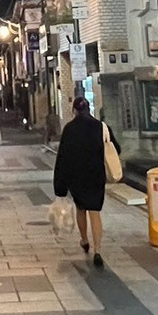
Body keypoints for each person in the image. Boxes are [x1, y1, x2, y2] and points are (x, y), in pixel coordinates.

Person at [52, 96, 118, 269]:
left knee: (81, 209)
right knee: (95, 212)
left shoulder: (69, 129)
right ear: (89, 109)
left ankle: (84, 240)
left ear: (74, 110)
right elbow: (115, 148)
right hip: (96, 174)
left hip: (77, 176)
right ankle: (98, 250)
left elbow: (63, 157)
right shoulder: (100, 127)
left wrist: (60, 185)